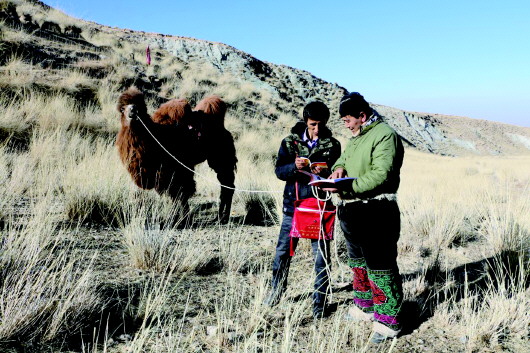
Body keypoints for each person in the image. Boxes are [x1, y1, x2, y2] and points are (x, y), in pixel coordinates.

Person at [324, 92, 405, 343]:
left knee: (380, 265)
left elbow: (381, 175)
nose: (346, 125)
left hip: (376, 211)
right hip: (352, 211)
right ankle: (365, 307)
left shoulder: (385, 135)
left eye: (348, 119)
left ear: (362, 115)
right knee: (358, 262)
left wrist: (345, 188)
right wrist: (338, 167)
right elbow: (344, 159)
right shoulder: (357, 138)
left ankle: (388, 322)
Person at [264, 101, 341, 319]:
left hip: (320, 207)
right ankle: (276, 292)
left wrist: (328, 175)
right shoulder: (289, 143)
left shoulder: (333, 145)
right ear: (306, 121)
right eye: (313, 124)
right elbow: (279, 171)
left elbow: (338, 172)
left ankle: (320, 302)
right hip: (293, 206)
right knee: (282, 252)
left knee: (322, 258)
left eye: (321, 124)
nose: (317, 129)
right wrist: (293, 167)